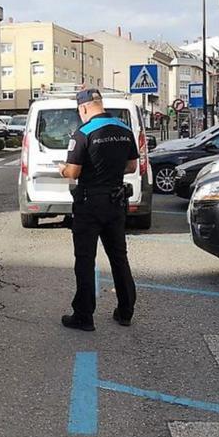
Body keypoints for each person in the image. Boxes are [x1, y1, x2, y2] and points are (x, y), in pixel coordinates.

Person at [57, 89, 138, 331]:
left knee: (85, 260)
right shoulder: (124, 130)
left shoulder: (83, 133)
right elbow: (132, 165)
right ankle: (125, 311)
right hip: (115, 202)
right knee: (119, 258)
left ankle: (84, 316)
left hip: (89, 203)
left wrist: (62, 169)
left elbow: (73, 172)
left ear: (83, 108)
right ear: (100, 104)